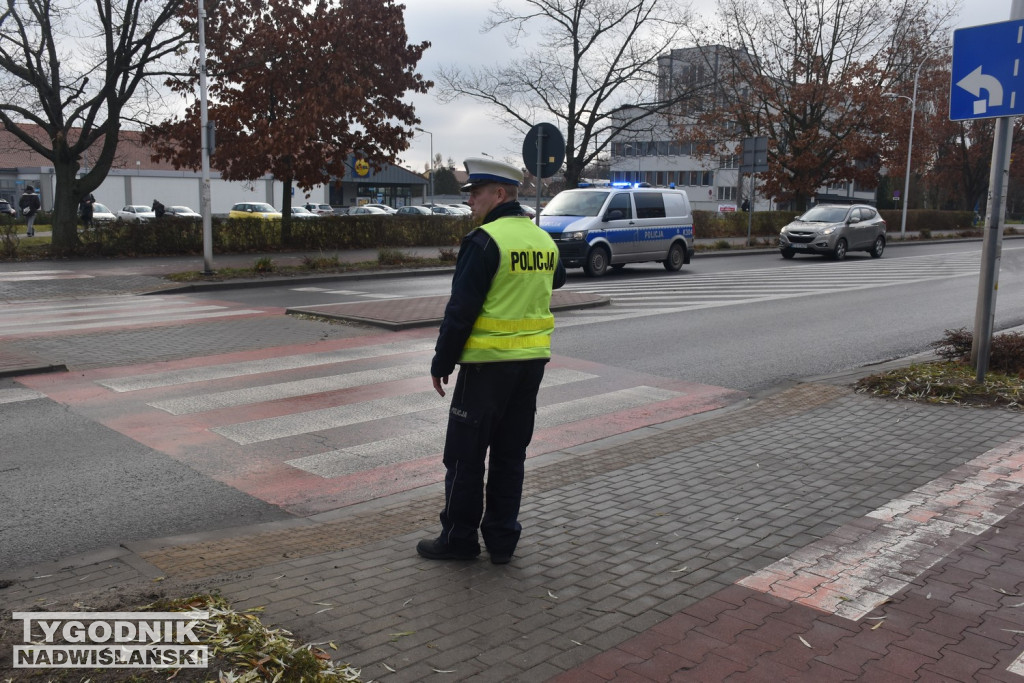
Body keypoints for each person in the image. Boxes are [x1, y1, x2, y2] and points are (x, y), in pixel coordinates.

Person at [417, 157, 566, 565]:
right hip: (531, 364)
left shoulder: (484, 241)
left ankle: (459, 539)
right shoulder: (541, 239)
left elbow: (461, 311)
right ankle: (502, 540)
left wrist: (441, 362)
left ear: (499, 194)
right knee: (509, 454)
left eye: (476, 193)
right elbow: (558, 278)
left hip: (485, 366)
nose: (470, 202)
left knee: (465, 456)